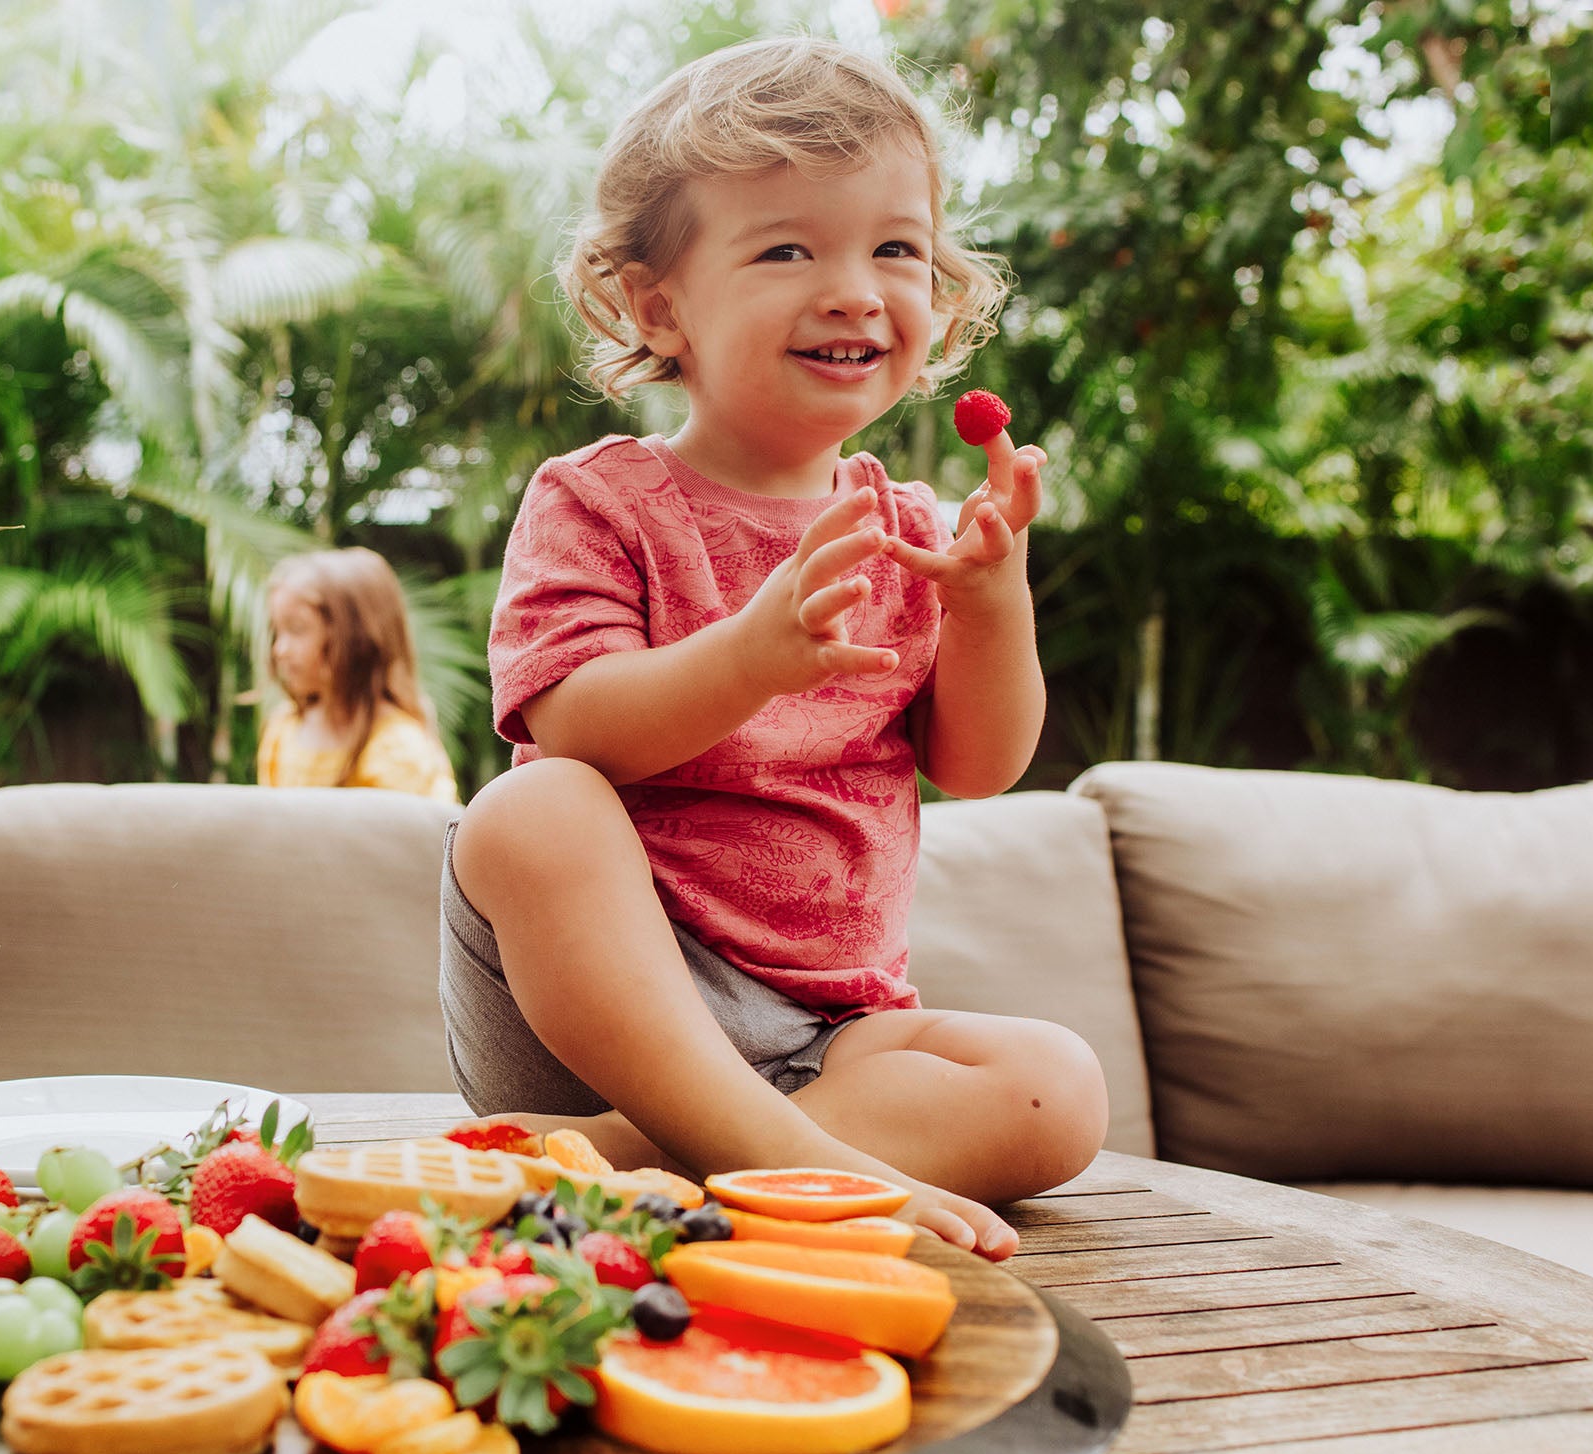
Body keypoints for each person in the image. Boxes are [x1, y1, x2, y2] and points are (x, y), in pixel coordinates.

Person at [441, 39, 1107, 1261]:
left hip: (830, 1029)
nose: (856, 288)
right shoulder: (602, 499)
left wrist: (995, 596)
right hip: (603, 1015)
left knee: (1057, 1086)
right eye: (789, 248)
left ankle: (663, 1162)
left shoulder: (910, 530)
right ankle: (781, 1156)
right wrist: (749, 655)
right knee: (527, 814)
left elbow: (981, 761)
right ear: (658, 307)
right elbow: (574, 724)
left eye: (894, 248)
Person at [256, 547, 458, 804]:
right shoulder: (283, 729)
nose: (279, 650)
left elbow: (424, 837)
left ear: (355, 638)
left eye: (297, 629)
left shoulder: (398, 750)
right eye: (278, 632)